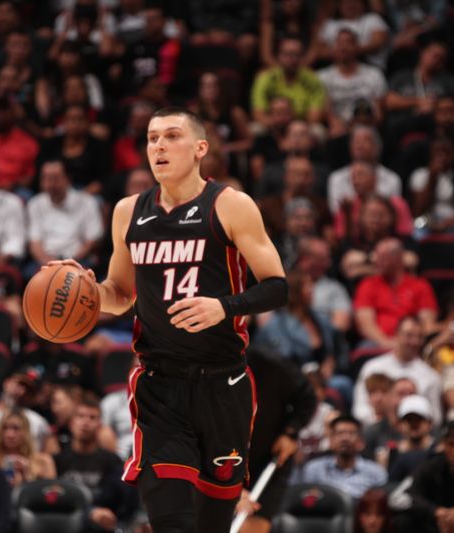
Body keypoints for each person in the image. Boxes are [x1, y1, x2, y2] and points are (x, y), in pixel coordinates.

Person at [49, 106, 288, 532]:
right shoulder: (128, 211)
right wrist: (86, 291)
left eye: (172, 136)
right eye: (152, 138)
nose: (159, 146)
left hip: (224, 384)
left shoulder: (230, 205)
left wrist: (223, 306)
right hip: (159, 386)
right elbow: (120, 296)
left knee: (212, 523)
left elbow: (277, 286)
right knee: (170, 521)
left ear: (200, 148)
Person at [234, 347, 317, 533]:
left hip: (267, 458)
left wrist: (290, 432)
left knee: (250, 526)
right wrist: (232, 490)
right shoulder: (199, 367)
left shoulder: (270, 362)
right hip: (214, 462)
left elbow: (307, 396)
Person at [54, 394, 136, 532]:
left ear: (100, 425)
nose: (85, 422)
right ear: (71, 422)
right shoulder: (57, 459)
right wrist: (89, 512)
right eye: (80, 416)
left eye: (92, 417)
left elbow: (124, 502)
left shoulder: (111, 461)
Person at [353, 316, 443, 425]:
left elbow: (436, 417)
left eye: (419, 337)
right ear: (396, 335)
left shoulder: (431, 376)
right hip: (376, 431)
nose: (414, 342)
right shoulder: (372, 368)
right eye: (409, 335)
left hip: (414, 430)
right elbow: (360, 409)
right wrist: (383, 424)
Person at [300, 414, 387, 499]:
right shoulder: (314, 469)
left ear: (361, 442)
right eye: (340, 433)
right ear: (331, 441)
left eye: (351, 433)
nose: (345, 438)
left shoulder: (376, 473)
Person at [0, 408, 56, 487]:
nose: (10, 434)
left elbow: (52, 494)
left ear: (26, 432)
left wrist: (27, 476)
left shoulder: (43, 462)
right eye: (5, 428)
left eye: (16, 428)